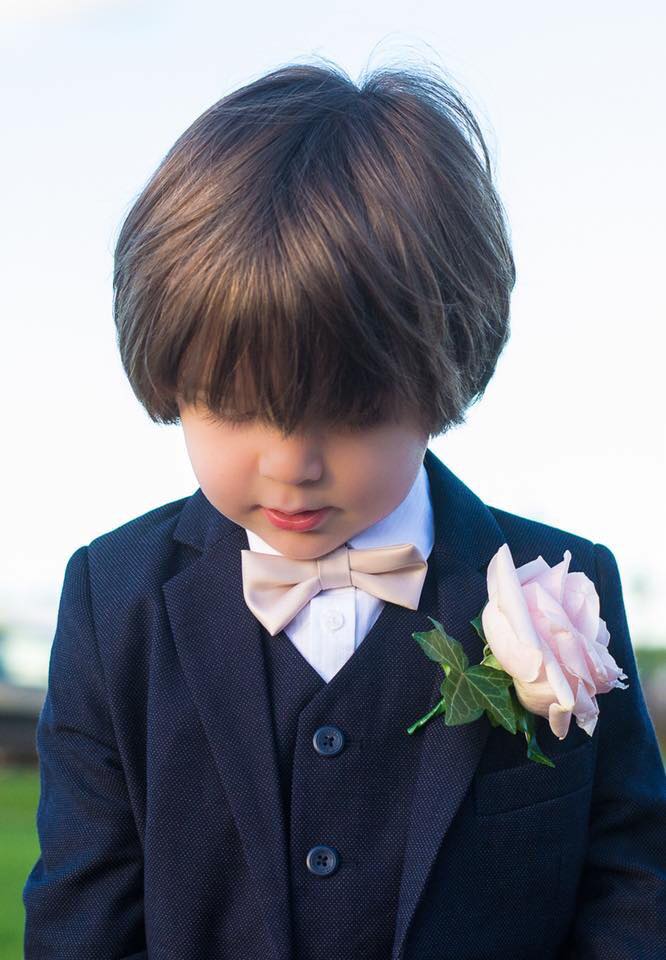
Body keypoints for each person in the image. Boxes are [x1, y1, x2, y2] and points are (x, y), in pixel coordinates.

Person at [23, 58, 665, 959]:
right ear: (169, 378)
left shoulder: (565, 585)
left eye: (354, 413)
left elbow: (629, 896)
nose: (291, 465)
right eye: (234, 407)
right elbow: (81, 920)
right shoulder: (111, 599)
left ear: (447, 373)